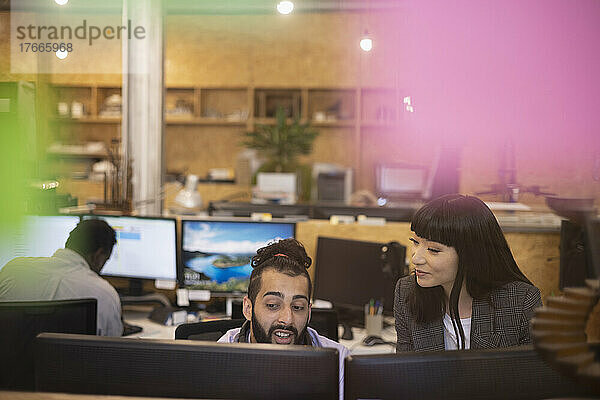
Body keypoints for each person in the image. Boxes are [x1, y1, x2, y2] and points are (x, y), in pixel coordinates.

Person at [394, 194, 542, 352]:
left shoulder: (520, 301)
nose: (416, 258)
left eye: (433, 250)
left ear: (471, 254)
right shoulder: (406, 292)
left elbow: (533, 374)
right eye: (415, 242)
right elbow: (405, 372)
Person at [218, 238, 349, 400]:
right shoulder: (219, 361)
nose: (287, 319)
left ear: (309, 312)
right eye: (273, 305)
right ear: (248, 308)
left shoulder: (339, 362)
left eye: (298, 307)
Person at [0, 218, 123, 336]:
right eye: (105, 260)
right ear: (99, 254)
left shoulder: (13, 270)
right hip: (70, 358)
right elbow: (111, 346)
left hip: (9, 357)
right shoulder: (104, 293)